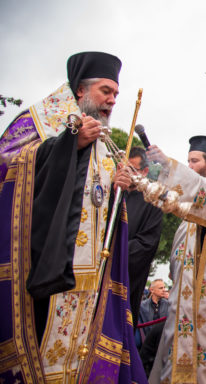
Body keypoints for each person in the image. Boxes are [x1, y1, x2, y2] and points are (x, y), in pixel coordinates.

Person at [0, 51, 145, 382]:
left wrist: (117, 187)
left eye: (116, 94)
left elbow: (97, 205)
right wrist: (68, 144)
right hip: (44, 270)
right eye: (105, 91)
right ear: (80, 90)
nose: (112, 100)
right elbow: (7, 164)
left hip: (89, 280)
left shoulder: (103, 144)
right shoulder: (38, 122)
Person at [145, 135, 206, 383]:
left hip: (205, 303)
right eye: (188, 161)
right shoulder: (192, 211)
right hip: (182, 298)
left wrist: (167, 164)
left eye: (194, 161)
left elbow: (197, 188)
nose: (190, 166)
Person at [126, 146, 164, 327]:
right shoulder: (113, 192)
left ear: (145, 171)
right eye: (123, 168)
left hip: (127, 277)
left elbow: (147, 244)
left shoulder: (152, 202)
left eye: (132, 170)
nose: (126, 174)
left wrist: (116, 252)